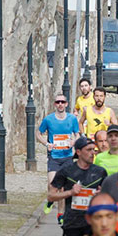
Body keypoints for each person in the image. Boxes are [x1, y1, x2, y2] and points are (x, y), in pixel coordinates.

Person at [48, 137, 108, 236]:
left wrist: (101, 194)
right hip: (72, 222)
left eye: (94, 150)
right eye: (88, 150)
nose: (92, 153)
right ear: (78, 152)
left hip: (94, 222)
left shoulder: (100, 172)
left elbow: (108, 196)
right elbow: (51, 196)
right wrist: (70, 192)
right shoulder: (66, 171)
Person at [37, 94, 81, 223]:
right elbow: (38, 133)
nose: (60, 104)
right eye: (58, 102)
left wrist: (74, 142)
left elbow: (77, 134)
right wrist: (47, 144)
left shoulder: (72, 119)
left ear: (66, 104)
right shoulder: (48, 119)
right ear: (55, 104)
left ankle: (60, 214)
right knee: (51, 184)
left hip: (67, 157)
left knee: (62, 188)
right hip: (54, 157)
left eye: (62, 102)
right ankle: (50, 200)